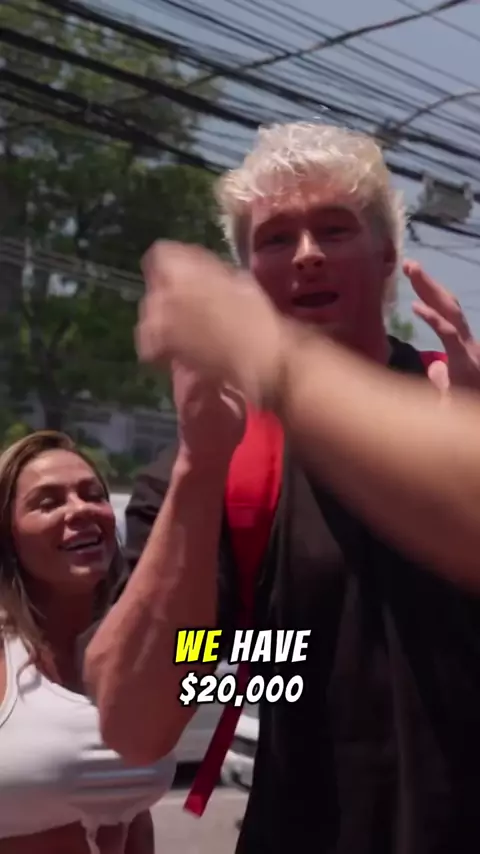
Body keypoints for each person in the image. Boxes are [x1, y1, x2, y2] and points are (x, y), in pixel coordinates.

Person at [85, 122, 480, 854]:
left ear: (387, 257)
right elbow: (140, 722)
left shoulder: (461, 409)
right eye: (275, 239)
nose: (305, 255)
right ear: (248, 277)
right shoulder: (221, 456)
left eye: (334, 229)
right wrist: (200, 466)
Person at [0, 430, 175, 854]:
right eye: (48, 502)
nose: (80, 509)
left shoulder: (137, 653)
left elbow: (134, 817)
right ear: (8, 537)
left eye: (93, 495)